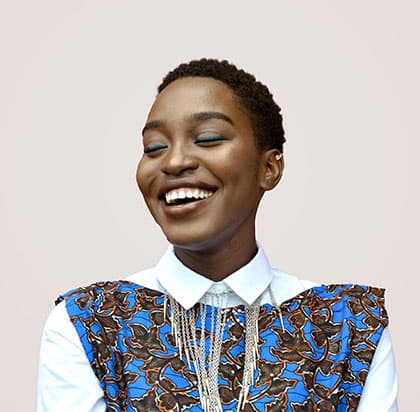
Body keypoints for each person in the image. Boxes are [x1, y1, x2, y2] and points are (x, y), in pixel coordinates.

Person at [37, 58, 398, 411]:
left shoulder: (346, 327)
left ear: (269, 167)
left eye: (207, 138)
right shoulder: (91, 323)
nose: (174, 161)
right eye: (155, 147)